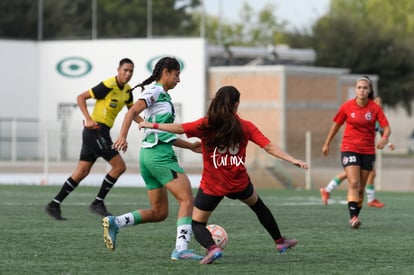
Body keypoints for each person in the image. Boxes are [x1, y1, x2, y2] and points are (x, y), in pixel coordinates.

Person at [139, 85, 308, 264]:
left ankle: (212, 249)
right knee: (259, 206)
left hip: (213, 185)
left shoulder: (207, 124)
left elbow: (180, 128)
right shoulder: (246, 126)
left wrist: (152, 124)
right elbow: (268, 146)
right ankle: (280, 242)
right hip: (239, 183)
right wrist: (291, 159)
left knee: (197, 224)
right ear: (236, 104)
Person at [105, 57, 203, 261]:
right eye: (177, 75)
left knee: (159, 213)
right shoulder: (156, 91)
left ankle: (117, 222)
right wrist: (122, 136)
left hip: (149, 157)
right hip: (160, 157)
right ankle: (181, 249)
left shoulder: (163, 97)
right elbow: (132, 111)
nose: (179, 80)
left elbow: (163, 134)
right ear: (166, 72)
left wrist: (191, 146)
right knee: (186, 199)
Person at [44, 58, 135, 221]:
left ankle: (54, 204)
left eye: (130, 71)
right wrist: (88, 119)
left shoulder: (128, 91)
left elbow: (132, 113)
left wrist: (147, 124)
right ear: (118, 70)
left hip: (100, 133)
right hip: (95, 131)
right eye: (125, 70)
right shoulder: (108, 85)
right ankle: (98, 203)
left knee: (82, 172)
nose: (128, 74)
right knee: (119, 167)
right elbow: (81, 97)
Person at [322, 76, 391, 229]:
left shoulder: (374, 108)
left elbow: (386, 127)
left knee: (360, 188)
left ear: (369, 90)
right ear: (355, 89)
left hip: (367, 151)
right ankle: (352, 217)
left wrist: (385, 138)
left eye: (365, 88)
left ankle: (355, 216)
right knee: (353, 182)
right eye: (359, 87)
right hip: (349, 148)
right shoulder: (346, 107)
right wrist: (327, 144)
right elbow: (336, 126)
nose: (362, 90)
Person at [320, 96, 395, 208]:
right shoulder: (365, 114)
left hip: (365, 150)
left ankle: (327, 190)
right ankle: (369, 199)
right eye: (377, 102)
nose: (379, 104)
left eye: (381, 102)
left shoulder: (377, 117)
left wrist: (388, 143)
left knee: (358, 175)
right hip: (352, 148)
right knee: (361, 176)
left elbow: (382, 133)